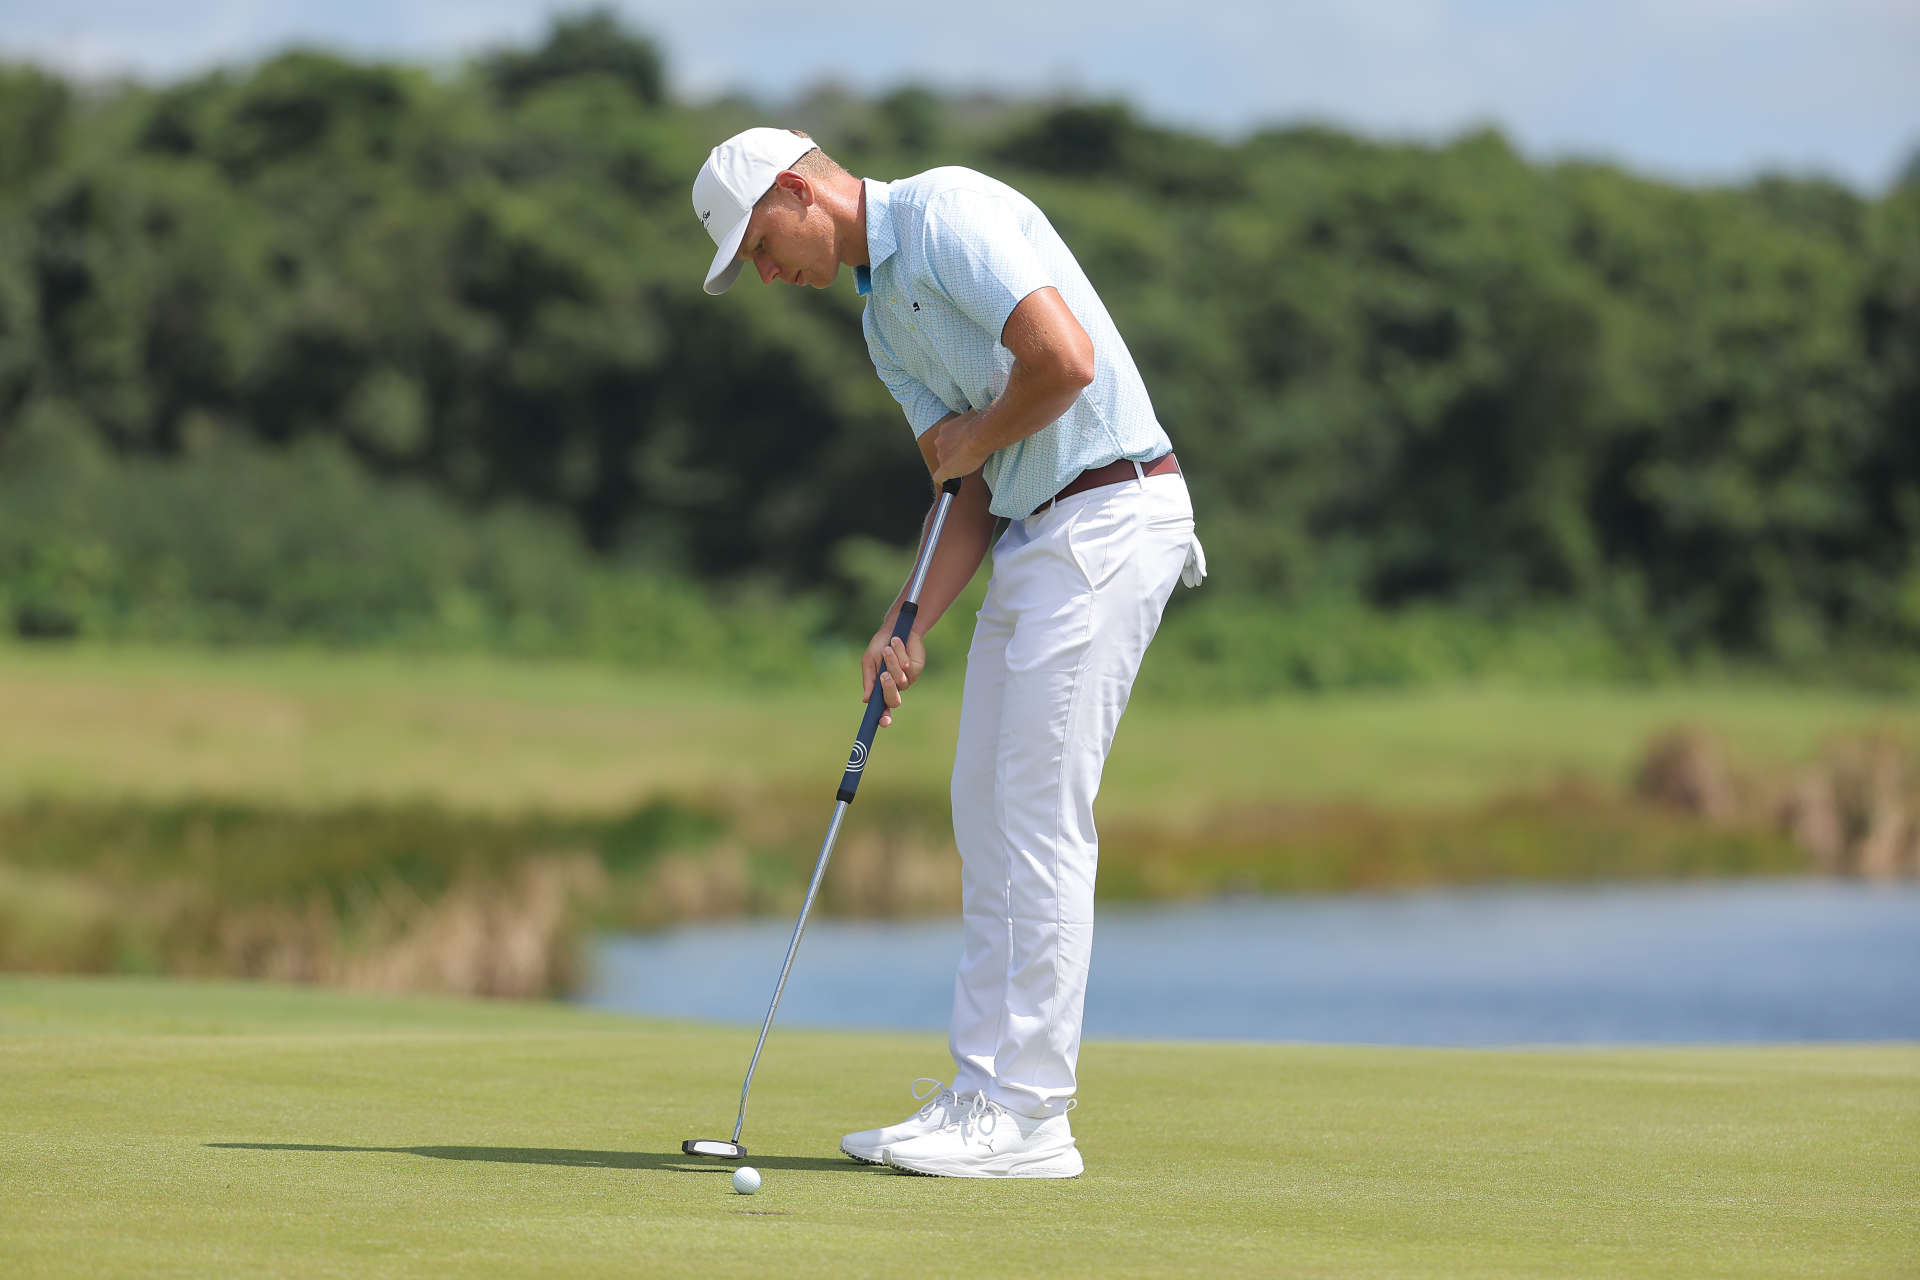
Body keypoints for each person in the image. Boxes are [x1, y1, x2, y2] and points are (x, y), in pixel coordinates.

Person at [691, 127, 1204, 1179]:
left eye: (758, 244)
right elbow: (961, 486)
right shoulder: (882, 323)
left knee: (1038, 812)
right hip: (1033, 532)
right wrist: (907, 621)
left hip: (1113, 511)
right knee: (984, 807)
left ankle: (1033, 1115)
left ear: (797, 190)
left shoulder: (946, 213)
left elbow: (1065, 362)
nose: (766, 273)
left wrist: (977, 437)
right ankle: (981, 1094)